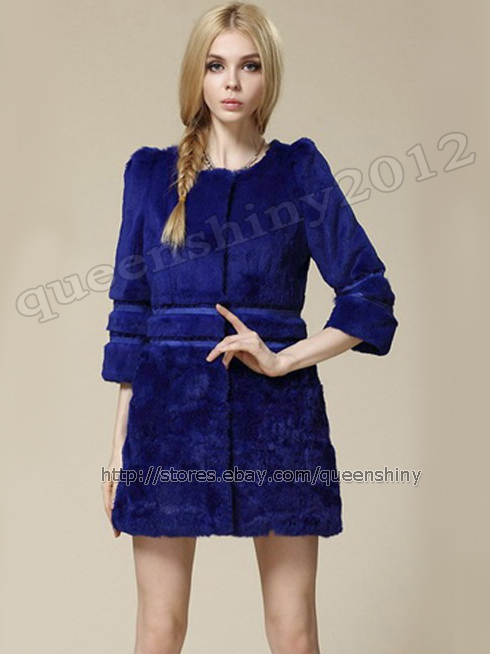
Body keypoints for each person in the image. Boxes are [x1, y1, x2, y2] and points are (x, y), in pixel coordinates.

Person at [100, 2, 399, 652]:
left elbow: (368, 294)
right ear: (197, 75)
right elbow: (131, 316)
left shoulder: (299, 172)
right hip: (167, 421)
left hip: (279, 425)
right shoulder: (149, 176)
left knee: (293, 631)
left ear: (269, 76)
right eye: (216, 65)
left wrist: (283, 359)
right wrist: (119, 450)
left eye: (249, 66)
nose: (232, 81)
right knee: (159, 629)